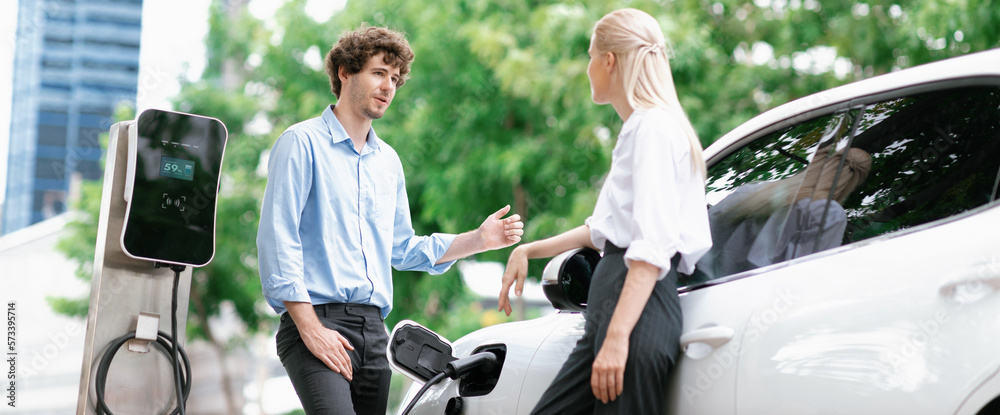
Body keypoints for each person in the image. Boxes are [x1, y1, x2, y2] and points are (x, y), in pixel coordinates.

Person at [256, 25, 524, 415]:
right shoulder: (301, 143)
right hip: (317, 318)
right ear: (345, 72)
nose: (389, 86)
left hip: (375, 333)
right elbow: (278, 242)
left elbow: (401, 248)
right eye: (379, 73)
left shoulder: (389, 162)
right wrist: (310, 328)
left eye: (395, 78)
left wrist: (478, 240)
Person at [498, 8, 712, 414]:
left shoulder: (651, 128)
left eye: (590, 55)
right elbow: (606, 230)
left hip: (632, 316)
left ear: (609, 61)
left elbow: (650, 249)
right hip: (614, 313)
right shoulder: (644, 128)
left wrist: (617, 337)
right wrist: (528, 249)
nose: (587, 67)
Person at [695, 147, 872, 280]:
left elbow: (704, 233)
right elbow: (807, 274)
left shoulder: (756, 192)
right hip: (758, 302)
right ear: (855, 182)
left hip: (705, 288)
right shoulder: (828, 214)